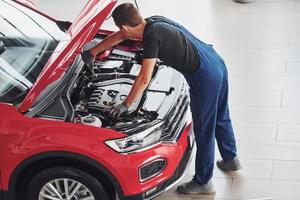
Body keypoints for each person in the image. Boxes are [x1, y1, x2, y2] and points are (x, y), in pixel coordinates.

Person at [81, 3, 242, 194]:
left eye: (121, 28)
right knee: (221, 115)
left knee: (204, 129)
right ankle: (231, 158)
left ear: (124, 26)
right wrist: (92, 52)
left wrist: (125, 104)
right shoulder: (152, 22)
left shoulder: (151, 38)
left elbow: (144, 78)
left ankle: (203, 182)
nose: (121, 32)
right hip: (216, 63)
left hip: (205, 77)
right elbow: (122, 35)